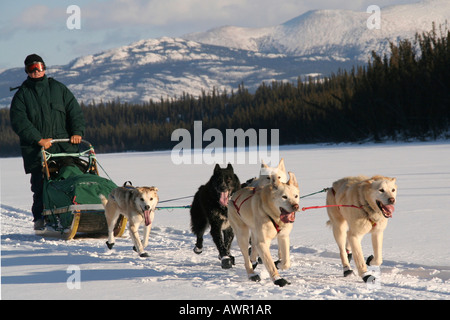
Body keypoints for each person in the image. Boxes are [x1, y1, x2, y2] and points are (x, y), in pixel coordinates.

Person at [10, 54, 86, 230]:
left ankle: (79, 210)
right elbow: (19, 121)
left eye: (38, 67)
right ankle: (40, 218)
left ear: (44, 68)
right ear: (27, 71)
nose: (36, 72)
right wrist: (38, 139)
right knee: (41, 184)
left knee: (72, 175)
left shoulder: (58, 88)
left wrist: (77, 132)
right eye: (31, 69)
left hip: (64, 146)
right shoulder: (22, 95)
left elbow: (74, 112)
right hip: (37, 149)